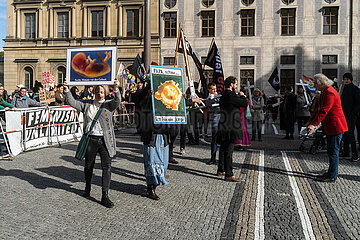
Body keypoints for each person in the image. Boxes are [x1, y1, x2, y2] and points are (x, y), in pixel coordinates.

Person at [64, 80, 121, 208]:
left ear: (105, 92)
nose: (99, 93)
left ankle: (104, 195)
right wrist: (67, 91)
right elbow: (73, 103)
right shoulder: (88, 105)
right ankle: (87, 187)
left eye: (102, 91)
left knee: (107, 167)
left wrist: (116, 89)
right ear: (94, 92)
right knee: (88, 166)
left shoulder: (108, 105)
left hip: (105, 141)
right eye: (97, 91)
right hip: (91, 139)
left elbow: (117, 101)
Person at [307, 74, 348, 182]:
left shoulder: (330, 92)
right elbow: (318, 109)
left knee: (333, 151)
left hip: (336, 126)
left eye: (315, 83)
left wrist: (314, 125)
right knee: (331, 150)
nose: (314, 85)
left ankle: (332, 176)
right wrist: (310, 121)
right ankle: (330, 172)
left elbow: (324, 111)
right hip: (331, 126)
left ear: (322, 83)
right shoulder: (325, 92)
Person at [139, 82, 169, 200]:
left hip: (163, 136)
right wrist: (148, 96)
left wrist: (183, 100)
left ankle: (155, 184)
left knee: (163, 163)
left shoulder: (165, 98)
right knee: (152, 162)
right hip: (151, 136)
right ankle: (150, 187)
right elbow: (141, 106)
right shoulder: (146, 98)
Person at [217, 76, 248, 182]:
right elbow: (244, 104)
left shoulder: (223, 95)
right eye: (235, 84)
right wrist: (243, 96)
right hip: (231, 125)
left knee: (223, 148)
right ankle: (229, 174)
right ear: (231, 84)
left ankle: (221, 169)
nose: (236, 86)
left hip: (224, 124)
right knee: (229, 150)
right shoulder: (231, 95)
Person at [340, 72, 360, 162]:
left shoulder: (355, 89)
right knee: (345, 134)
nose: (346, 81)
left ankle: (355, 154)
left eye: (347, 79)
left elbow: (358, 103)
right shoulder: (343, 89)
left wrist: (353, 113)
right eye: (344, 79)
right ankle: (346, 152)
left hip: (351, 116)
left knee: (351, 135)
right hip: (344, 115)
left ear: (351, 79)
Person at [205, 83, 221, 164]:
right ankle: (213, 158)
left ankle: (222, 159)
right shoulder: (208, 98)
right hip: (214, 120)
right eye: (213, 89)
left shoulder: (219, 96)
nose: (215, 91)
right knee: (214, 139)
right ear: (209, 90)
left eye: (215, 89)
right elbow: (209, 105)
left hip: (222, 120)